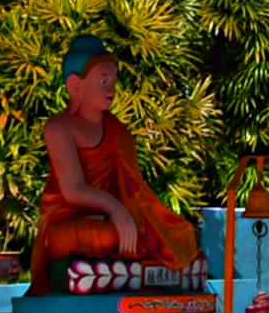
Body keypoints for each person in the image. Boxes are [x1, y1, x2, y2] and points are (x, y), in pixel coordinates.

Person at [35, 33, 198, 273]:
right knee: (103, 236)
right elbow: (72, 190)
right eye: (103, 81)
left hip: (111, 219)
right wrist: (116, 210)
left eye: (113, 80)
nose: (111, 89)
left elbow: (133, 189)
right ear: (75, 86)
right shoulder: (59, 128)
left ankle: (132, 259)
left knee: (178, 233)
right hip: (68, 224)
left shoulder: (117, 131)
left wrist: (130, 216)